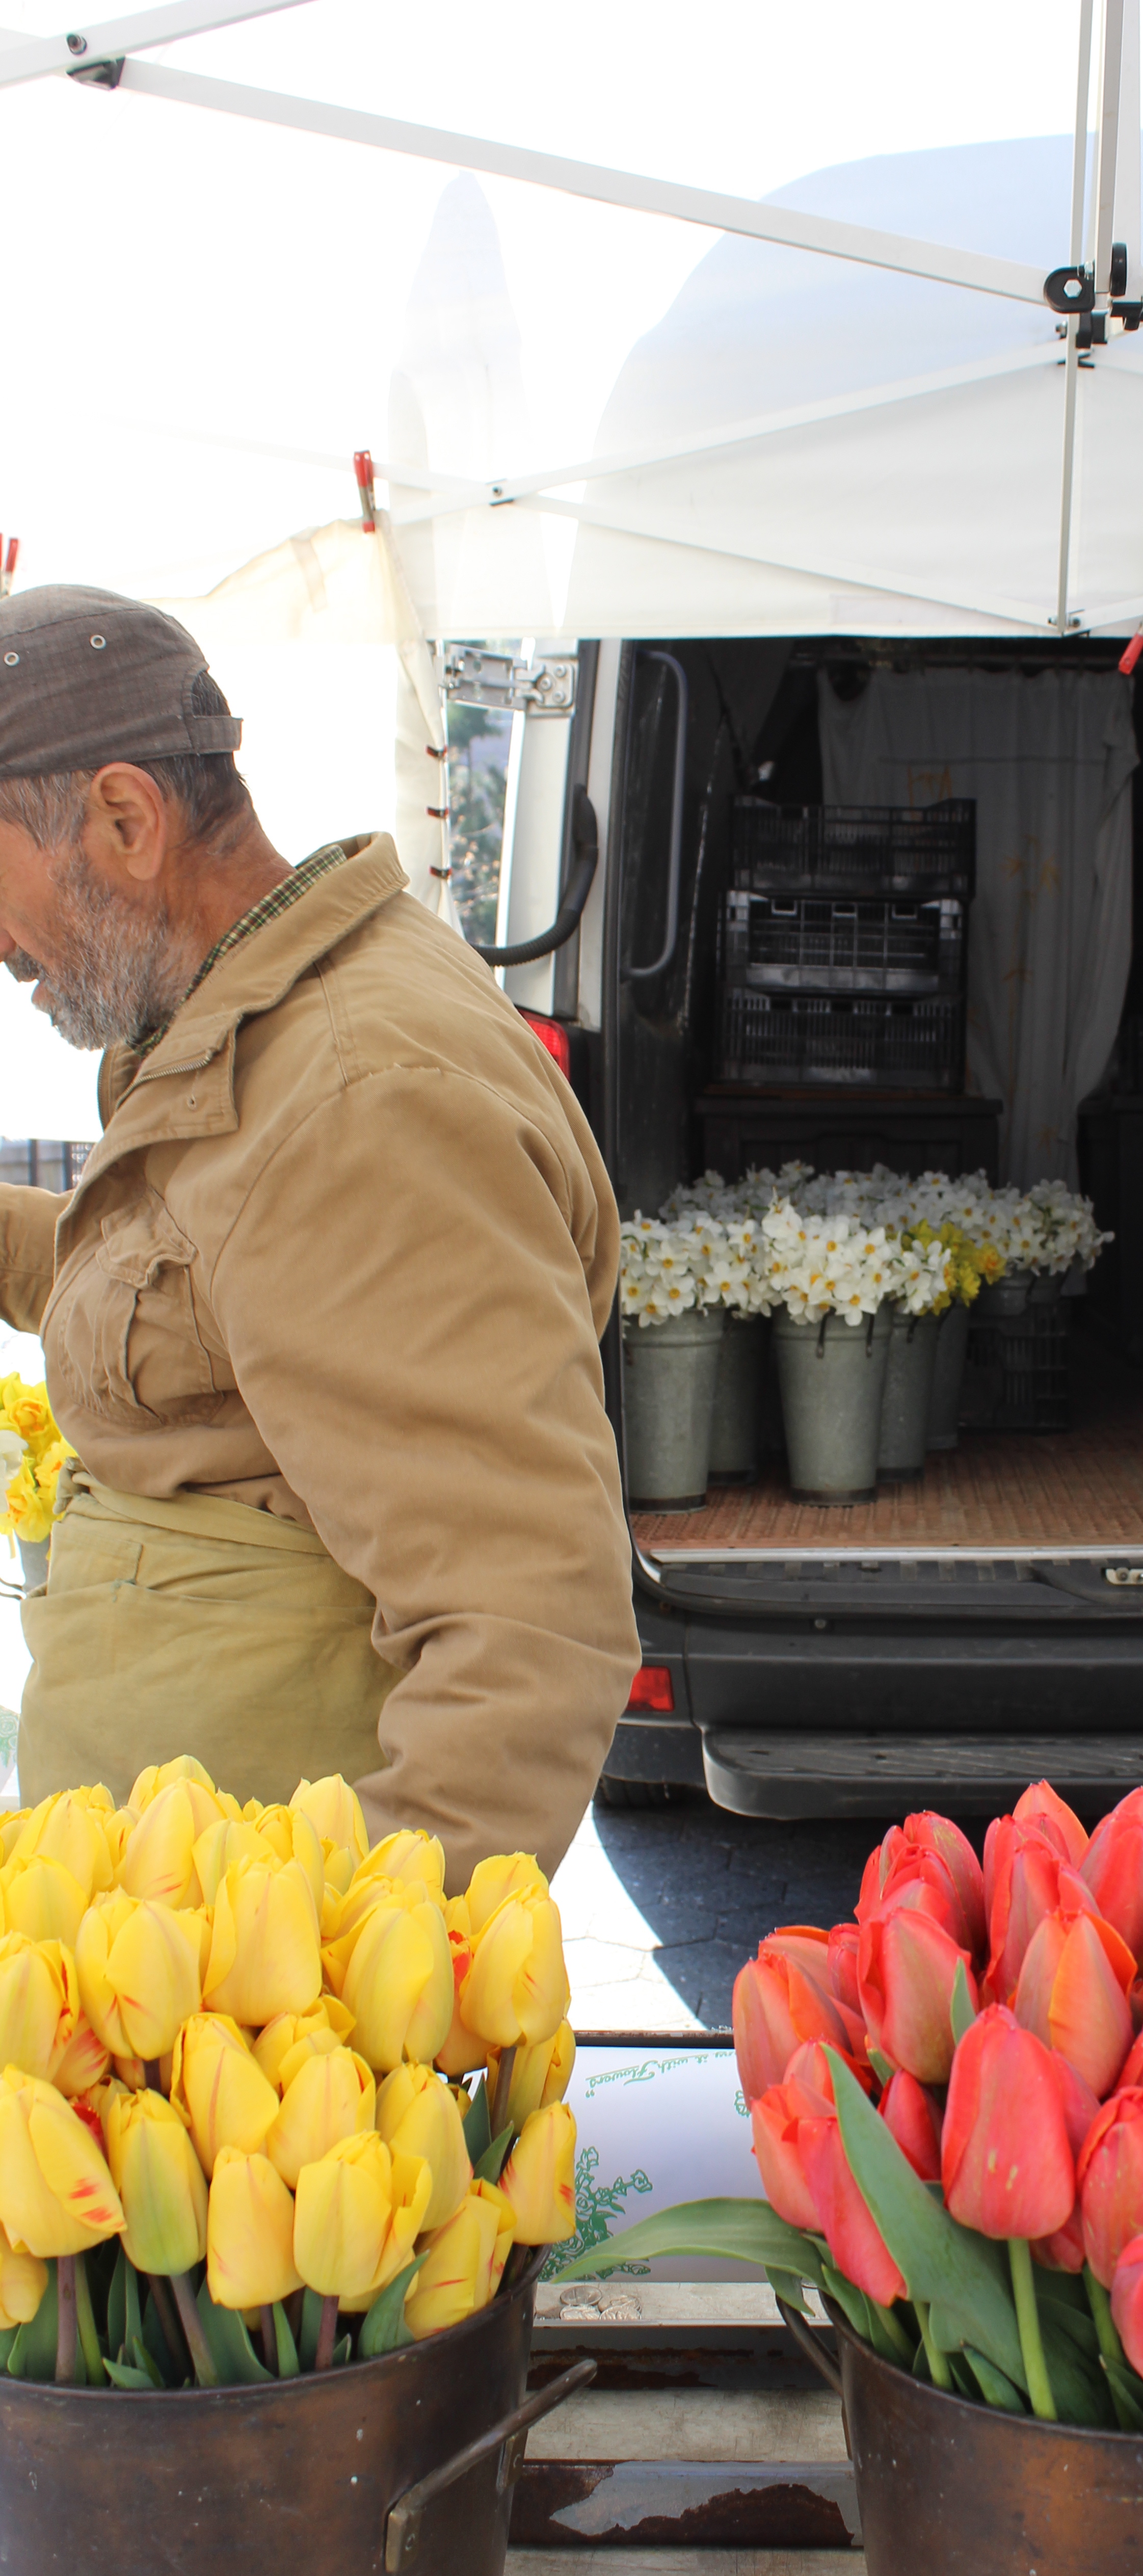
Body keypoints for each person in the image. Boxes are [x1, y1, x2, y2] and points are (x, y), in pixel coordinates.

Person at [0, 583, 638, 1882]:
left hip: (262, 1973)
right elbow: (201, 1292)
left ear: (125, 819)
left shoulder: (360, 1097)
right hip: (171, 1938)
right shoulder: (257, 1019)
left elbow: (528, 1627)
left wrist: (363, 1973)